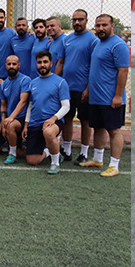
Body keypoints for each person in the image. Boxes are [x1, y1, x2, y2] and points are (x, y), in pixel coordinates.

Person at [81, 14, 130, 177]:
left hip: (110, 99)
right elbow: (95, 70)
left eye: (104, 25)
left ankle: (114, 166)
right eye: (98, 25)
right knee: (98, 128)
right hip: (96, 97)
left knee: (114, 131)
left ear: (112, 26)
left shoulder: (118, 45)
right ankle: (97, 160)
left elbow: (123, 71)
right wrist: (88, 89)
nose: (100, 28)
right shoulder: (98, 44)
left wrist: (117, 96)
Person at [57, 9, 98, 164]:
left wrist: (88, 88)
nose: (77, 22)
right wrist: (55, 82)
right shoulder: (66, 39)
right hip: (67, 87)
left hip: (83, 88)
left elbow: (94, 67)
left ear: (86, 20)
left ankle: (84, 152)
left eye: (80, 19)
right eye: (74, 20)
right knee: (67, 118)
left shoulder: (92, 40)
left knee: (84, 120)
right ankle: (67, 151)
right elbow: (61, 62)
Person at [23, 50, 70, 174]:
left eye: (45, 62)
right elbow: (30, 106)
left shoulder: (60, 82)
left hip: (52, 122)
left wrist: (53, 119)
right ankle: (51, 151)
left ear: (51, 63)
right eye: (39, 62)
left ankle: (55, 163)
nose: (42, 65)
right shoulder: (33, 83)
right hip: (34, 123)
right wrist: (26, 125)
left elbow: (66, 106)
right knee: (32, 161)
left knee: (49, 132)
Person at [0, 55, 31, 164]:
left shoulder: (25, 80)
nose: (11, 66)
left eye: (14, 64)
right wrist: (4, 121)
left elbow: (23, 101)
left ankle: (12, 154)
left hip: (24, 118)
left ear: (19, 65)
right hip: (11, 118)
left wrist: (10, 118)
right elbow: (3, 105)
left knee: (10, 125)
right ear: (6, 66)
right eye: (9, 64)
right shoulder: (4, 84)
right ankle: (15, 150)